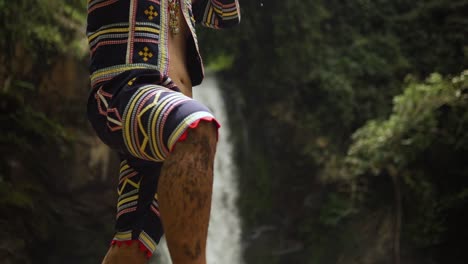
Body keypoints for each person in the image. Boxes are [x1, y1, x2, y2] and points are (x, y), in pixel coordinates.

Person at [85, 0, 241, 263]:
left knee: (131, 249)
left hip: (163, 125)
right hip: (125, 95)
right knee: (196, 129)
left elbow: (224, 15)